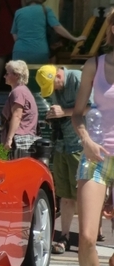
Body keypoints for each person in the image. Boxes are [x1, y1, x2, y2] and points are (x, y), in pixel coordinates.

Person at [71, 11, 114, 266]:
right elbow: (78, 114)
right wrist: (85, 141)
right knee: (86, 236)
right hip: (96, 155)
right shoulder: (94, 65)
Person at [35, 64, 92, 255]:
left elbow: (90, 108)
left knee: (83, 195)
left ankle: (87, 237)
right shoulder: (55, 82)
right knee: (65, 195)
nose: (54, 92)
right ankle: (65, 236)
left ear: (58, 75)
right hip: (61, 144)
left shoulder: (76, 78)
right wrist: (52, 116)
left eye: (54, 87)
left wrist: (64, 112)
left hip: (79, 144)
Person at [11, 0, 84, 65]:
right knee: (39, 77)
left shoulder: (18, 12)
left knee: (18, 78)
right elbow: (57, 27)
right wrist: (74, 38)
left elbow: (14, 33)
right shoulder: (46, 10)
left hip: (19, 51)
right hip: (39, 51)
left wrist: (23, 45)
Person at [0, 60, 38, 159]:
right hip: (24, 141)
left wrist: (9, 139)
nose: (5, 76)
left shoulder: (18, 92)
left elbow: (17, 116)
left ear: (16, 75)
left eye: (7, 73)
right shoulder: (23, 90)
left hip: (19, 141)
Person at [0, 0, 22, 91]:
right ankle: (17, 85)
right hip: (16, 22)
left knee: (1, 54)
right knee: (17, 55)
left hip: (3, 23)